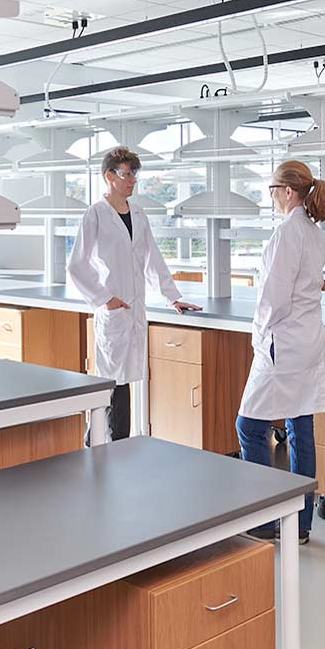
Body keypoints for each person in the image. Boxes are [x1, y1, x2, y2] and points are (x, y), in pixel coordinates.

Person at [236, 159, 325, 543]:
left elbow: (274, 297)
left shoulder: (287, 234)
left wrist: (258, 333)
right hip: (308, 339)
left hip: (283, 342)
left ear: (287, 192)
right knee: (300, 429)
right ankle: (300, 525)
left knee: (249, 426)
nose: (272, 197)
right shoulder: (314, 233)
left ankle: (264, 520)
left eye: (273, 190)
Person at [67, 146, 199, 440]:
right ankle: (107, 445)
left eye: (134, 174)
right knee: (113, 385)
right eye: (127, 174)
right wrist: (104, 298)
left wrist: (171, 296)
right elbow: (76, 265)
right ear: (109, 177)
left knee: (123, 383)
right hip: (113, 310)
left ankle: (105, 443)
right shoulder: (95, 215)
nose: (133, 180)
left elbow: (153, 258)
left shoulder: (138, 214)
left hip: (133, 309)